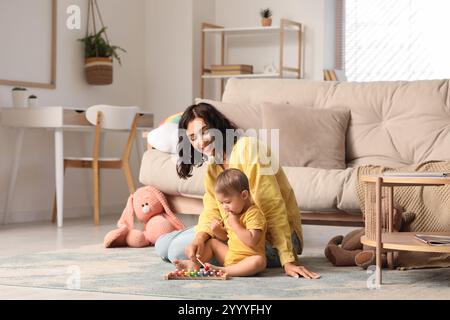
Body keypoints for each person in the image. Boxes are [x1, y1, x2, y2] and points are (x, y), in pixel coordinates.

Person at [155, 102, 320, 279]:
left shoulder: (248, 148)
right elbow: (211, 210)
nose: (200, 142)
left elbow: (272, 205)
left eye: (204, 131)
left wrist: (288, 260)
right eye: (193, 137)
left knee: (174, 250)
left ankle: (190, 243)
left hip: (266, 240)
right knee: (162, 245)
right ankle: (189, 239)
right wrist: (199, 239)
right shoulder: (213, 166)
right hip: (235, 234)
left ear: (218, 126)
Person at [174, 168, 267, 276]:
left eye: (227, 202)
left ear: (244, 195)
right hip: (231, 256)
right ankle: (193, 264)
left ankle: (222, 270)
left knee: (259, 261)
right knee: (212, 243)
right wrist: (217, 231)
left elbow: (252, 240)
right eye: (221, 203)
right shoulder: (232, 213)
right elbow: (227, 238)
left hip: (248, 259)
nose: (224, 207)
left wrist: (235, 224)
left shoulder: (254, 213)